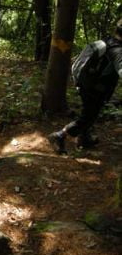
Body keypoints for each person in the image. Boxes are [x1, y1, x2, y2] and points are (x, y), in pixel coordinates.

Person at [49, 17, 122, 154]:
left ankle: (84, 138)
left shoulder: (108, 41)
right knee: (88, 117)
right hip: (95, 88)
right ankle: (59, 136)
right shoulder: (117, 50)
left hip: (86, 84)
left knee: (90, 112)